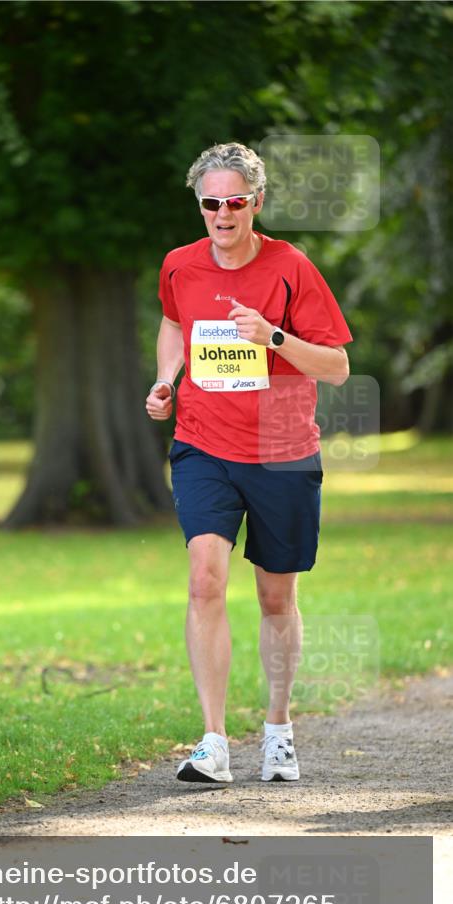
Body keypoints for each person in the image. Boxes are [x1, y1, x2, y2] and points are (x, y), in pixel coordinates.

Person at [146, 142, 352, 783]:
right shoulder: (180, 265)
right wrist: (165, 380)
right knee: (204, 578)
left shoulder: (292, 266)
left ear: (256, 202)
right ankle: (212, 742)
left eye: (235, 201)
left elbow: (338, 367)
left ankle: (278, 730)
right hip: (203, 443)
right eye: (211, 203)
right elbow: (174, 324)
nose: (223, 214)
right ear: (200, 206)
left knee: (275, 597)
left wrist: (274, 337)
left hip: (283, 452)